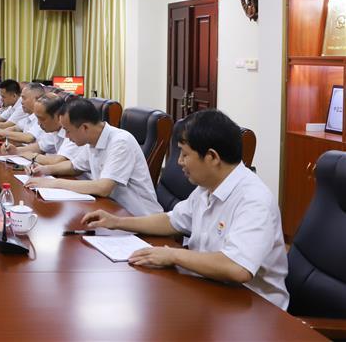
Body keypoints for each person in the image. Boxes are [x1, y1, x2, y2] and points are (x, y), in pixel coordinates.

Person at [80, 109, 289, 310]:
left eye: (185, 154)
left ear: (212, 157)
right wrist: (117, 222)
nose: (179, 161)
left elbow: (236, 267)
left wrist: (172, 255)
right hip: (211, 289)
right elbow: (172, 220)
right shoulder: (207, 188)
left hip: (253, 307)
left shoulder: (253, 199)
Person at [26, 97, 161, 217]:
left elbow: (103, 188)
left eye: (67, 130)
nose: (66, 136)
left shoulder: (120, 142)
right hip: (111, 211)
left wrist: (53, 183)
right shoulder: (92, 140)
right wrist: (44, 170)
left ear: (84, 127)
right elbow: (74, 166)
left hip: (139, 218)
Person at [5, 93, 69, 162]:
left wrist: (34, 156)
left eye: (42, 119)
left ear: (58, 117)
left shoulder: (71, 132)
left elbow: (59, 161)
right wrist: (15, 150)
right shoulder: (54, 130)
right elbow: (40, 147)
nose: (38, 123)